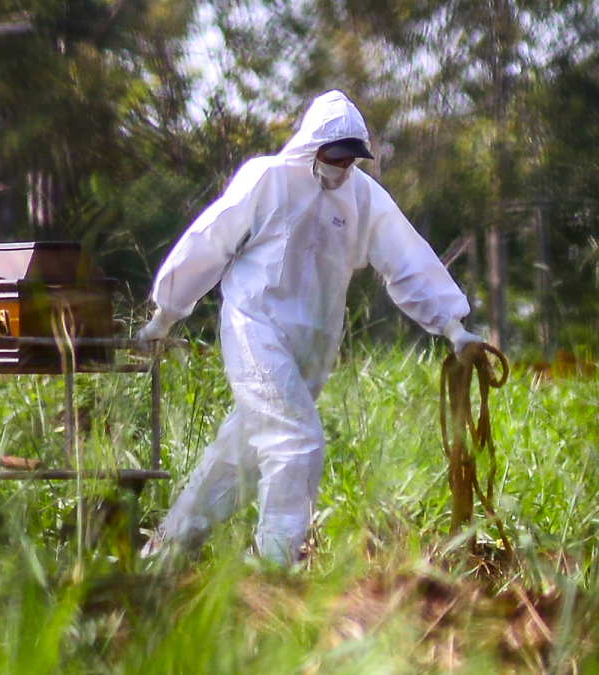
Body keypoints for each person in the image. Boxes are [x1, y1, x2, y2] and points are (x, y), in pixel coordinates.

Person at [136, 90, 485, 565]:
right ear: (311, 148)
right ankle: (272, 564)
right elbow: (210, 239)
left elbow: (407, 259)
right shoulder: (270, 179)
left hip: (313, 349)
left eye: (351, 159)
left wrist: (451, 325)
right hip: (255, 330)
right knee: (296, 441)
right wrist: (167, 312)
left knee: (240, 457)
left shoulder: (363, 197)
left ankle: (164, 554)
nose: (342, 167)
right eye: (335, 155)